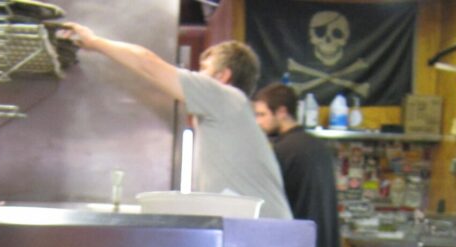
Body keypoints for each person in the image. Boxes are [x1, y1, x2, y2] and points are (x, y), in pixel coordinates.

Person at [60, 23, 292, 220]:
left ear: (223, 76)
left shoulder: (225, 96)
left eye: (203, 69)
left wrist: (94, 42)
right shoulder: (229, 113)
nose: (196, 75)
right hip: (262, 233)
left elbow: (147, 63)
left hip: (266, 236)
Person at [252, 83, 342, 247]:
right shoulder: (318, 146)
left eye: (262, 114)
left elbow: (270, 205)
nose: (257, 122)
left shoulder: (282, 150)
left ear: (282, 112)